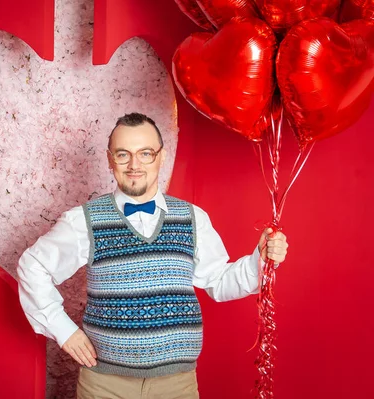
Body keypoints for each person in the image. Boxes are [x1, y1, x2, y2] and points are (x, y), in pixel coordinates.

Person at [17, 112, 288, 399]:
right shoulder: (83, 221)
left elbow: (220, 281)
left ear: (161, 157)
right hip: (105, 385)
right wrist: (64, 331)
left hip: (177, 385)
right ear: (110, 160)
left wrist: (261, 260)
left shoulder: (192, 218)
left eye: (145, 153)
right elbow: (32, 266)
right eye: (123, 154)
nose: (134, 165)